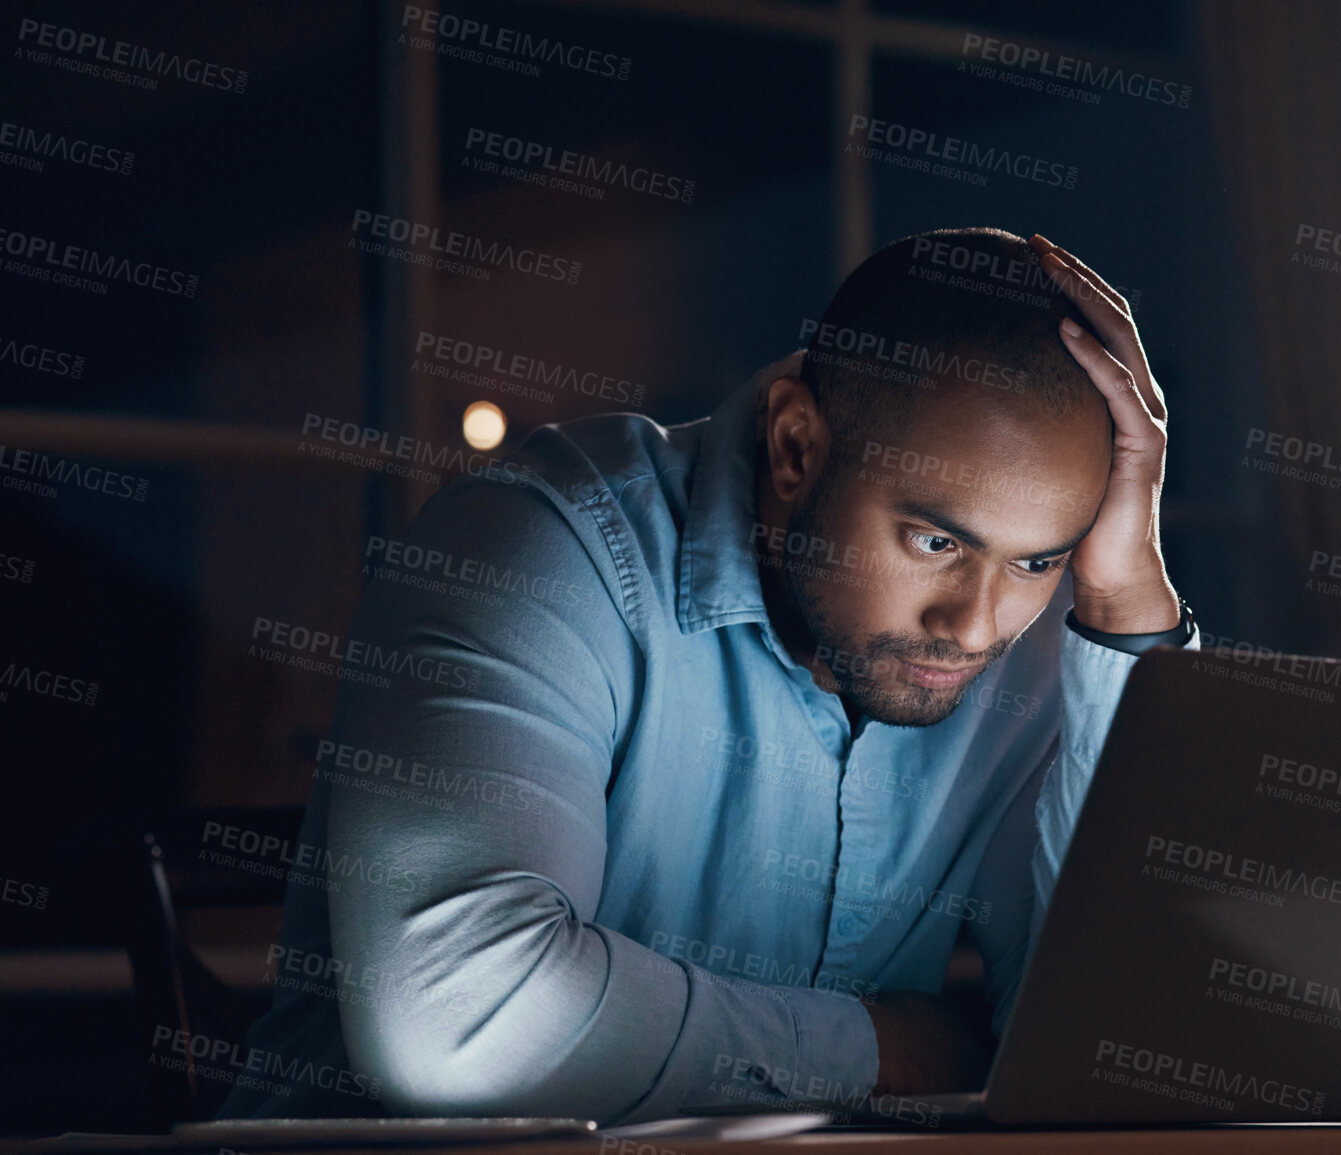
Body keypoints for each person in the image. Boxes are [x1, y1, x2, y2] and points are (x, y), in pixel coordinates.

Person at [219, 228, 1197, 1125]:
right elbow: (459, 1028)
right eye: (934, 539)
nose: (975, 625)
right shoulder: (538, 548)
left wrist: (1127, 619)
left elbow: (1125, 1060)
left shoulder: (1027, 643)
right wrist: (883, 1050)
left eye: (1038, 561)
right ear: (795, 447)